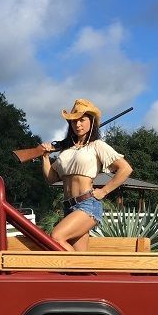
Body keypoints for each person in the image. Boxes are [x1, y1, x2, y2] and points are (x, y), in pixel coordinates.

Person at [39, 98, 133, 251]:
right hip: (69, 207)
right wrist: (44, 157)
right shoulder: (67, 151)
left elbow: (126, 169)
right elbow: (51, 179)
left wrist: (104, 191)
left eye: (82, 120)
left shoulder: (97, 145)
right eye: (74, 121)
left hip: (87, 205)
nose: (78, 124)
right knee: (79, 257)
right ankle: (85, 273)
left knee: (56, 237)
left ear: (92, 122)